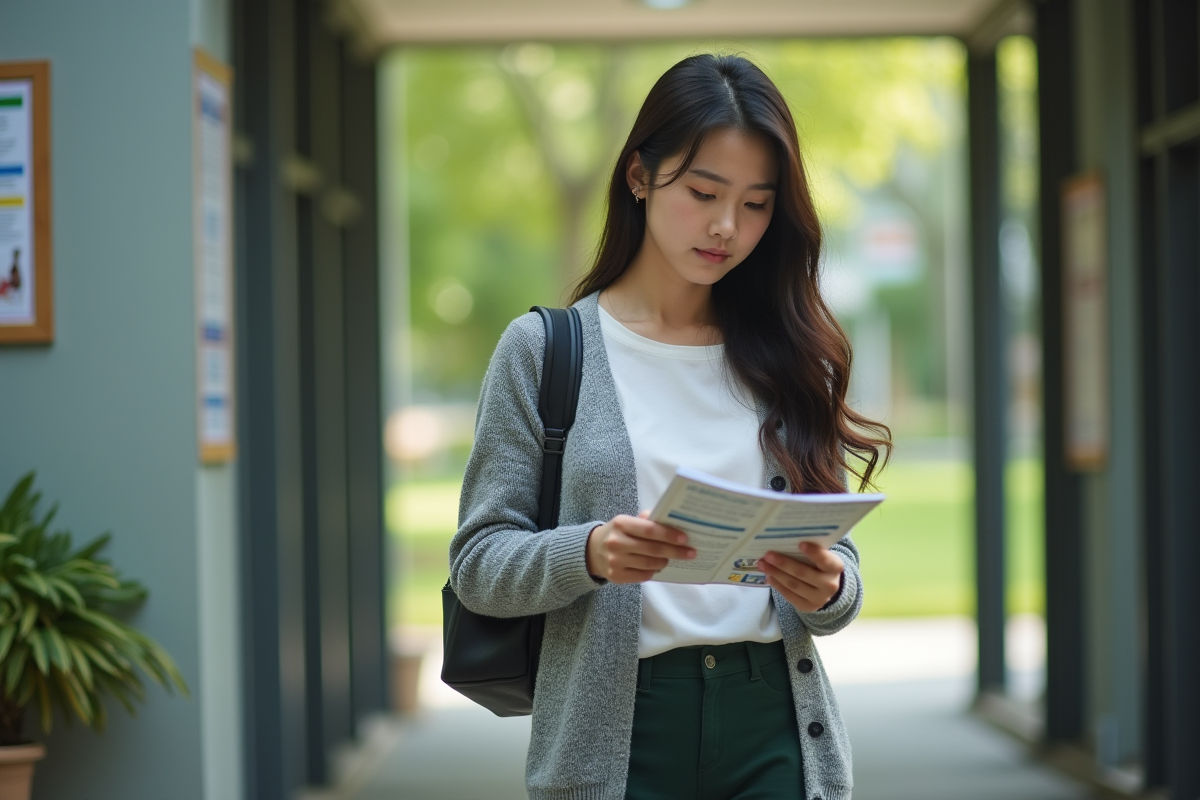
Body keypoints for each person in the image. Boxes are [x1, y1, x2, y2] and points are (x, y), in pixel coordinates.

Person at [450, 53, 891, 800]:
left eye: (756, 204)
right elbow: (478, 566)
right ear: (638, 176)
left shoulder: (789, 355)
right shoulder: (545, 351)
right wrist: (590, 551)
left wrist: (831, 587)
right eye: (702, 192)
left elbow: (835, 564)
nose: (727, 226)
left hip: (772, 722)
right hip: (617, 733)